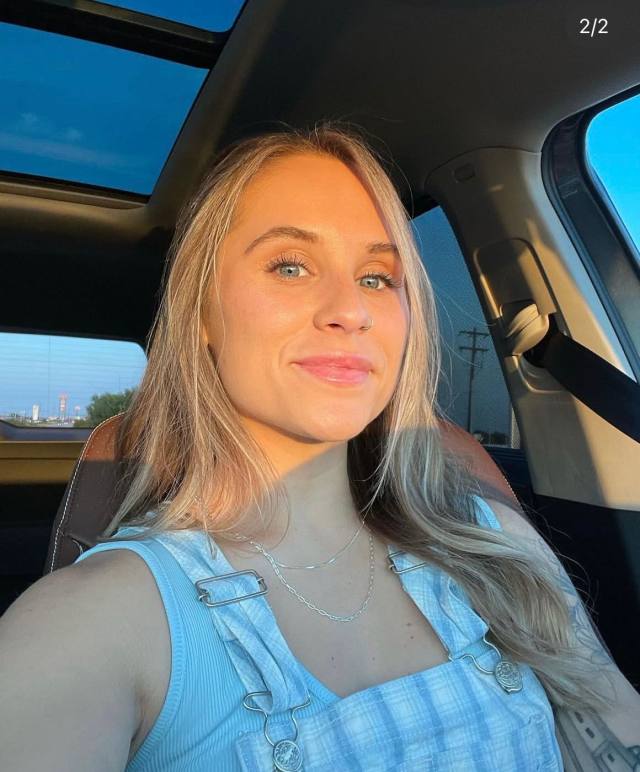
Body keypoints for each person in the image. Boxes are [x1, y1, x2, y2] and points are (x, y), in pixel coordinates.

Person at [1, 122, 637, 772]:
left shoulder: (493, 540)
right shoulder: (97, 621)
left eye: (377, 277)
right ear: (202, 313)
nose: (350, 310)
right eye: (290, 266)